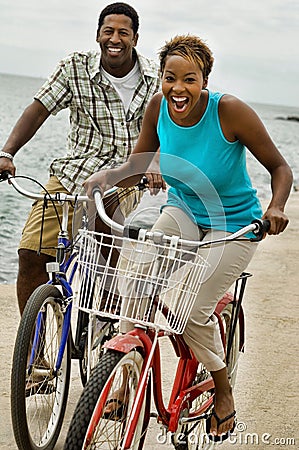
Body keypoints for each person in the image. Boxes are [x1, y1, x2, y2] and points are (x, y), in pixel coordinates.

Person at [83, 35, 293, 438]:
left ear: (204, 81)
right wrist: (107, 177)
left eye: (189, 79)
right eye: (169, 78)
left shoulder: (228, 111)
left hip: (233, 225)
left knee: (193, 310)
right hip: (182, 211)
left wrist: (276, 206)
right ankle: (125, 380)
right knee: (136, 282)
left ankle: (223, 389)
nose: (178, 88)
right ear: (160, 78)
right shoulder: (159, 106)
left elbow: (281, 168)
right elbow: (138, 161)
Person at [0, 2, 162, 315]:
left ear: (135, 38)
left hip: (126, 179)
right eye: (108, 31)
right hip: (73, 174)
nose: (115, 39)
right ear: (98, 35)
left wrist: (155, 163)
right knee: (30, 253)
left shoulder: (155, 80)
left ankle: (106, 326)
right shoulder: (74, 68)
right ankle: (35, 352)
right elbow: (38, 110)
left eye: (123, 33)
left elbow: (170, 132)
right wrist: (7, 153)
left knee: (107, 258)